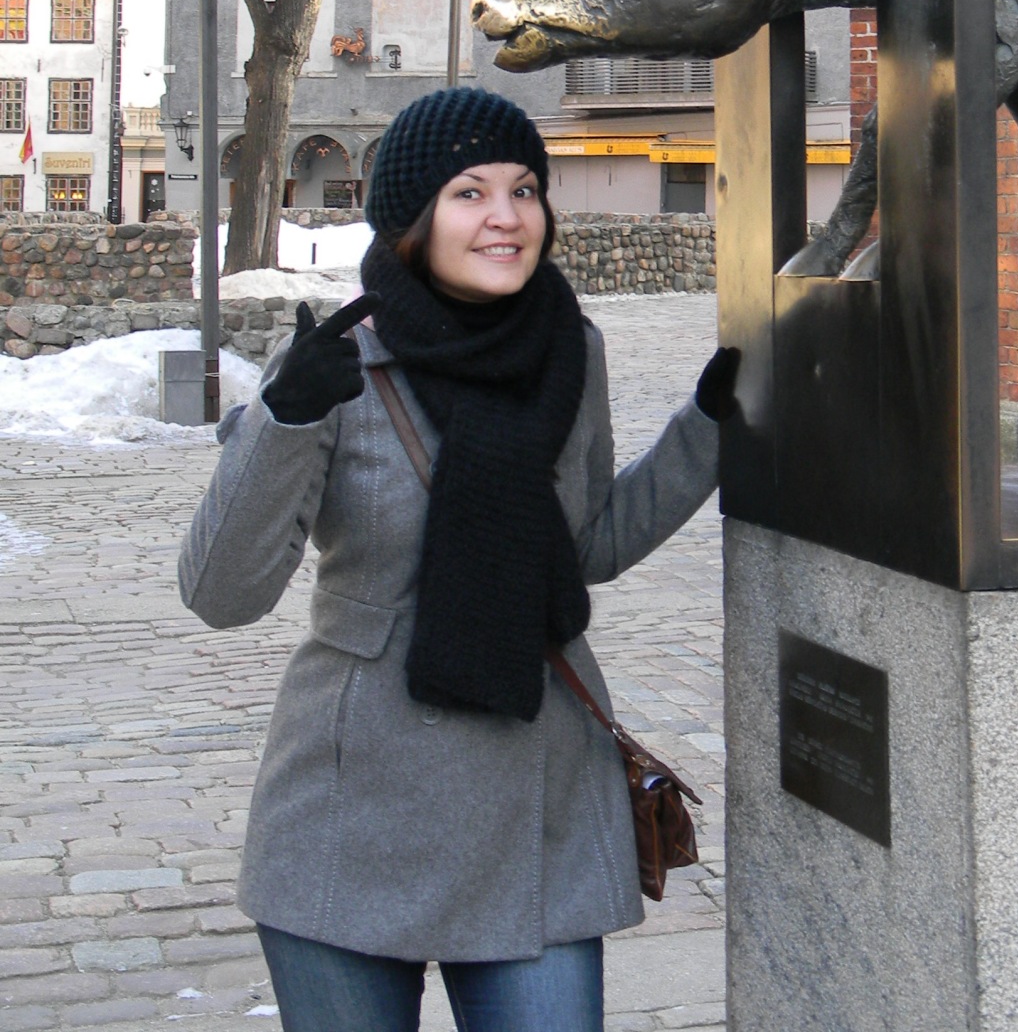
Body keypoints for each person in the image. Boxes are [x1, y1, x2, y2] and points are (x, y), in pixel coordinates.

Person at [179, 87, 737, 1032]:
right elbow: (222, 594)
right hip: (352, 815)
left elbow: (586, 545)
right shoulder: (340, 363)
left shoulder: (570, 351)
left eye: (524, 189)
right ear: (413, 218)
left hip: (538, 813)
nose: (506, 217)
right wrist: (284, 418)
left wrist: (708, 428)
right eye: (470, 193)